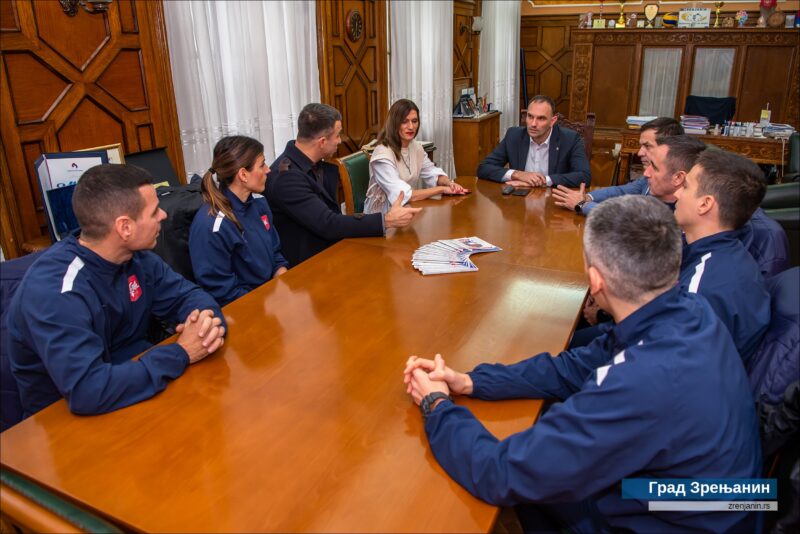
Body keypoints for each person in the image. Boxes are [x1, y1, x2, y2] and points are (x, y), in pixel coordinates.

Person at [403, 196, 761, 533]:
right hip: (698, 502)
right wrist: (471, 381)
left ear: (595, 281)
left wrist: (437, 406)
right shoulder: (687, 311)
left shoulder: (641, 381)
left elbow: (500, 473)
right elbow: (571, 368)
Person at [7, 164, 226, 417]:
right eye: (154, 211)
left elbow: (190, 296)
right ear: (125, 227)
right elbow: (88, 390)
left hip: (133, 389)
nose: (163, 216)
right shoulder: (57, 290)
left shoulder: (137, 258)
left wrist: (205, 324)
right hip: (64, 425)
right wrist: (182, 352)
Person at [266, 103, 421, 266]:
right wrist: (386, 220)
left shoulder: (312, 163)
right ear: (322, 141)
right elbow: (328, 223)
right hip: (308, 267)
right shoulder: (286, 179)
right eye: (338, 135)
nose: (340, 141)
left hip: (331, 253)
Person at [674, 148, 771, 366]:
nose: (677, 193)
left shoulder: (702, 287)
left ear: (705, 204)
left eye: (686, 186)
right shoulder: (730, 255)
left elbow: (675, 371)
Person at [189, 136, 288, 306]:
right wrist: (266, 300)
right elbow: (222, 291)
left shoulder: (259, 206)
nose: (268, 170)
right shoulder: (212, 225)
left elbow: (275, 254)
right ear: (243, 174)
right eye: (262, 165)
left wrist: (281, 277)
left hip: (269, 301)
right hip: (243, 309)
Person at [552, 117, 684, 214]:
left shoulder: (674, 188)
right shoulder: (648, 178)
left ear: (669, 149)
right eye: (641, 146)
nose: (639, 153)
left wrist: (582, 205)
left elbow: (629, 222)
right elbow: (621, 191)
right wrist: (587, 197)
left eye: (647, 146)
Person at [364, 99, 468, 214]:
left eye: (414, 121)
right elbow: (403, 194)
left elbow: (431, 172)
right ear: (394, 124)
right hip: (383, 219)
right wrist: (442, 189)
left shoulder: (415, 147)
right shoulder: (382, 156)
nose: (411, 127)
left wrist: (449, 183)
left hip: (407, 209)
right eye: (404, 122)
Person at [476, 95, 590, 188]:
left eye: (541, 118)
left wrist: (544, 180)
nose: (533, 124)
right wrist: (518, 175)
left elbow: (584, 176)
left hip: (553, 202)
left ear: (552, 121)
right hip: (518, 201)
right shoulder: (514, 136)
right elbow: (484, 168)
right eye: (530, 116)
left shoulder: (570, 139)